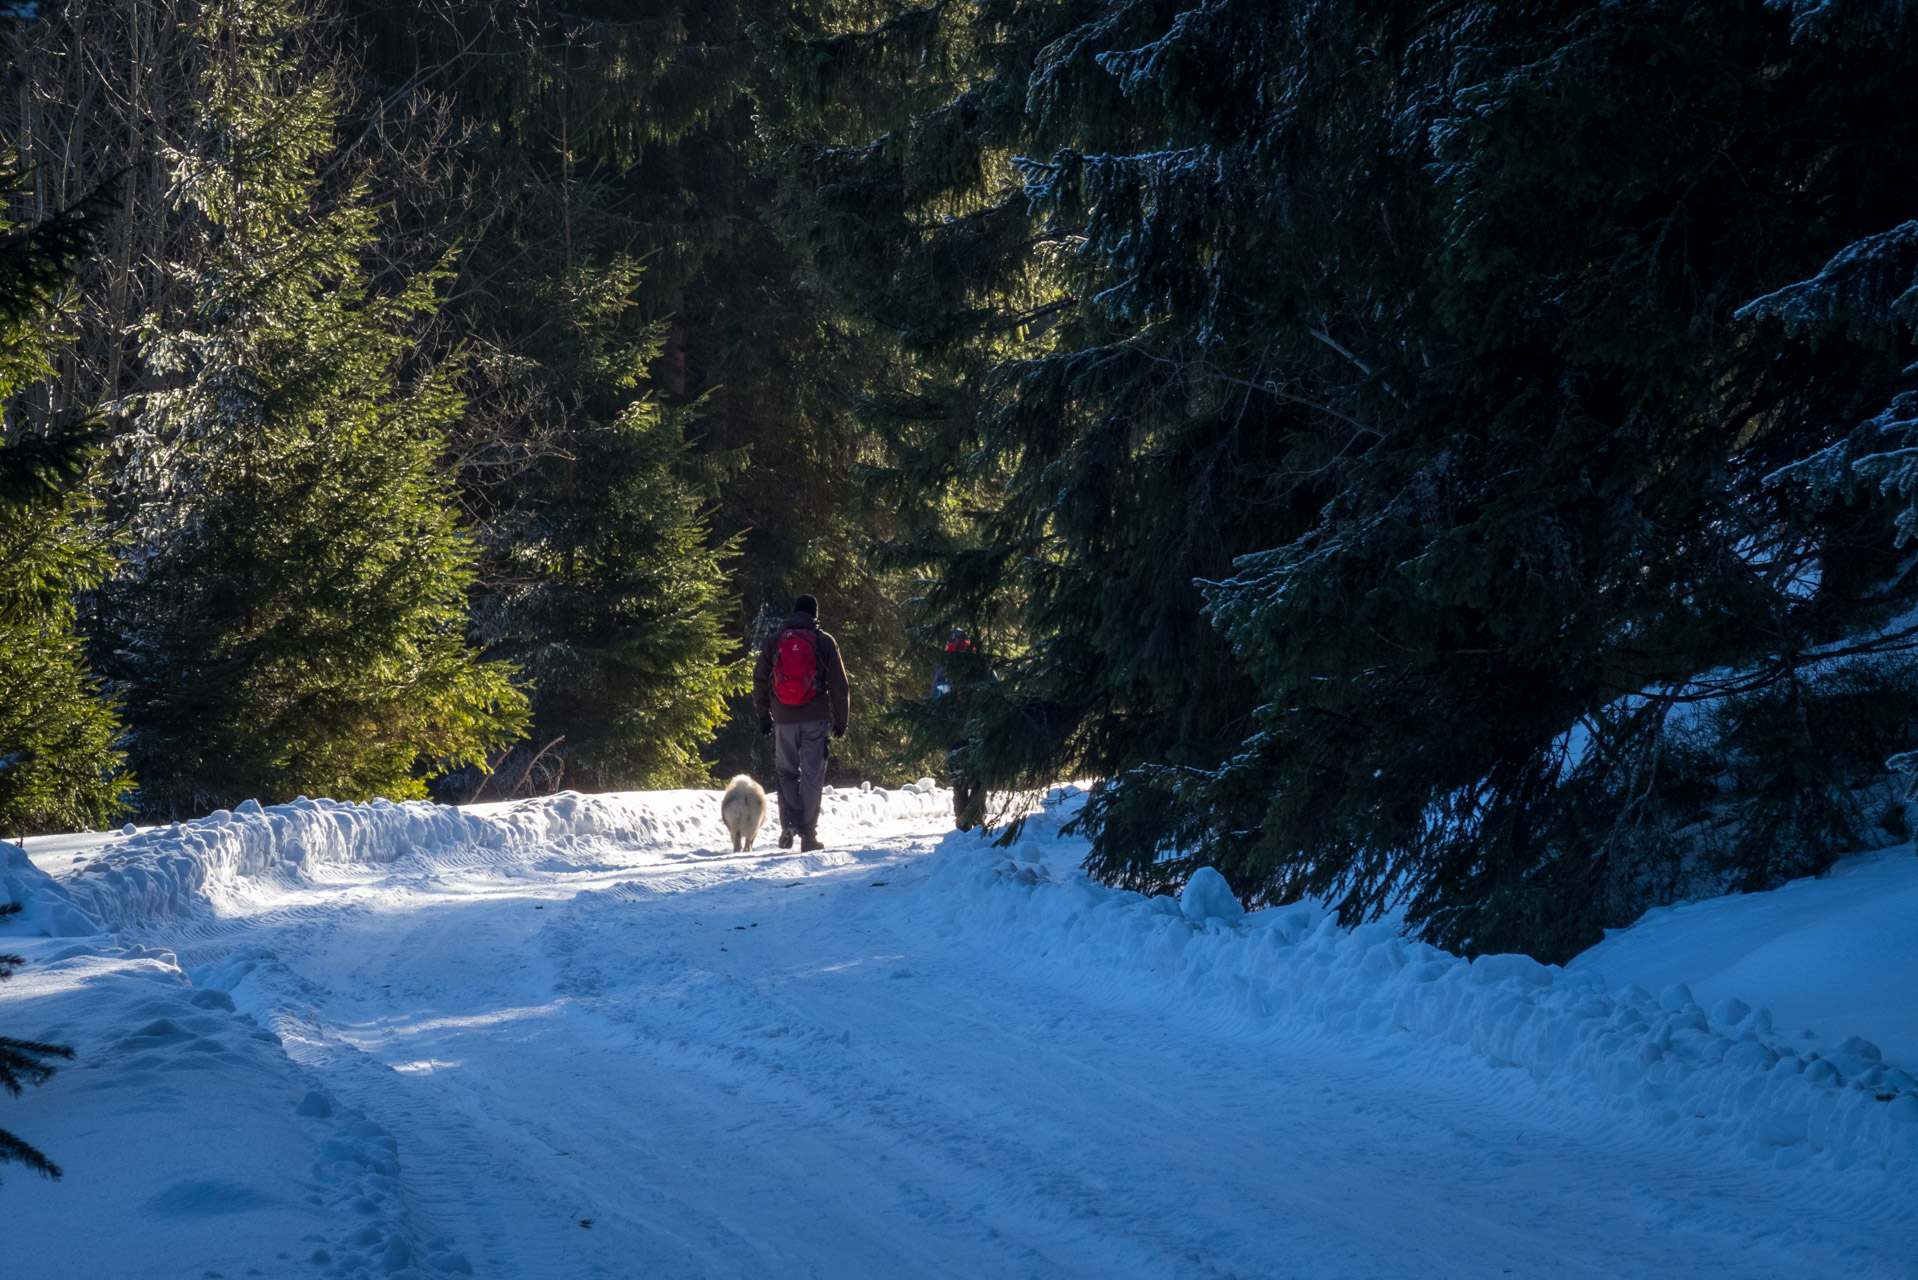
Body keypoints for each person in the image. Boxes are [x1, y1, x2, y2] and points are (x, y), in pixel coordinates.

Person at [753, 595, 850, 851]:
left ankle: (789, 824)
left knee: (786, 772)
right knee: (812, 776)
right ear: (814, 615)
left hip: (783, 718)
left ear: (794, 611)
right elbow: (840, 685)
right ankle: (808, 835)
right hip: (815, 718)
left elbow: (760, 679)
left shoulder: (775, 640)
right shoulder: (824, 641)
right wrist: (842, 720)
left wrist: (764, 715)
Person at [931, 627, 980, 832]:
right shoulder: (980, 665)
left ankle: (962, 823)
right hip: (978, 728)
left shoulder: (944, 670)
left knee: (959, 780)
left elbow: (934, 699)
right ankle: (977, 820)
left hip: (953, 730)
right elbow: (997, 690)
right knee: (978, 777)